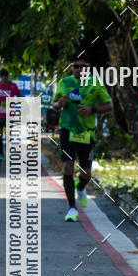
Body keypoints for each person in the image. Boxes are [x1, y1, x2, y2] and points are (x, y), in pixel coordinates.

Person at [53, 54, 113, 221]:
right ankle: (72, 208)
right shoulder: (64, 83)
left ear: (88, 67)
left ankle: (81, 186)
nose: (79, 69)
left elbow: (109, 105)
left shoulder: (95, 82)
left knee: (86, 172)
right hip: (67, 130)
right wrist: (60, 104)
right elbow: (55, 103)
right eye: (76, 66)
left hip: (87, 132)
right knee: (68, 167)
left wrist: (92, 109)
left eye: (83, 66)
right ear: (71, 67)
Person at [0, 68, 21, 161]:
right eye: (2, 77)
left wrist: (15, 101)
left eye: (6, 77)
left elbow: (20, 97)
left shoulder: (13, 86)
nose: (4, 79)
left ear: (8, 76)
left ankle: (8, 152)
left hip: (9, 115)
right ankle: (0, 154)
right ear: (0, 77)